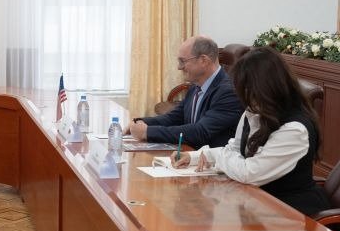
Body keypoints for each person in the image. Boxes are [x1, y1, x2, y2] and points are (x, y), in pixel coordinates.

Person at [172, 47, 330, 216]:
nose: (244, 97)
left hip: (291, 213)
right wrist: (196, 157)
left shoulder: (295, 129)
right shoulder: (254, 111)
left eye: (247, 90)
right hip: (255, 203)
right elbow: (234, 149)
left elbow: (250, 173)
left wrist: (219, 157)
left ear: (266, 88)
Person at [129, 36, 244, 148]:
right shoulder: (196, 86)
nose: (179, 67)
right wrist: (139, 122)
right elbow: (174, 118)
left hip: (212, 159)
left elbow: (200, 132)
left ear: (203, 60)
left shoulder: (229, 92)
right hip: (191, 154)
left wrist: (147, 132)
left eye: (182, 61)